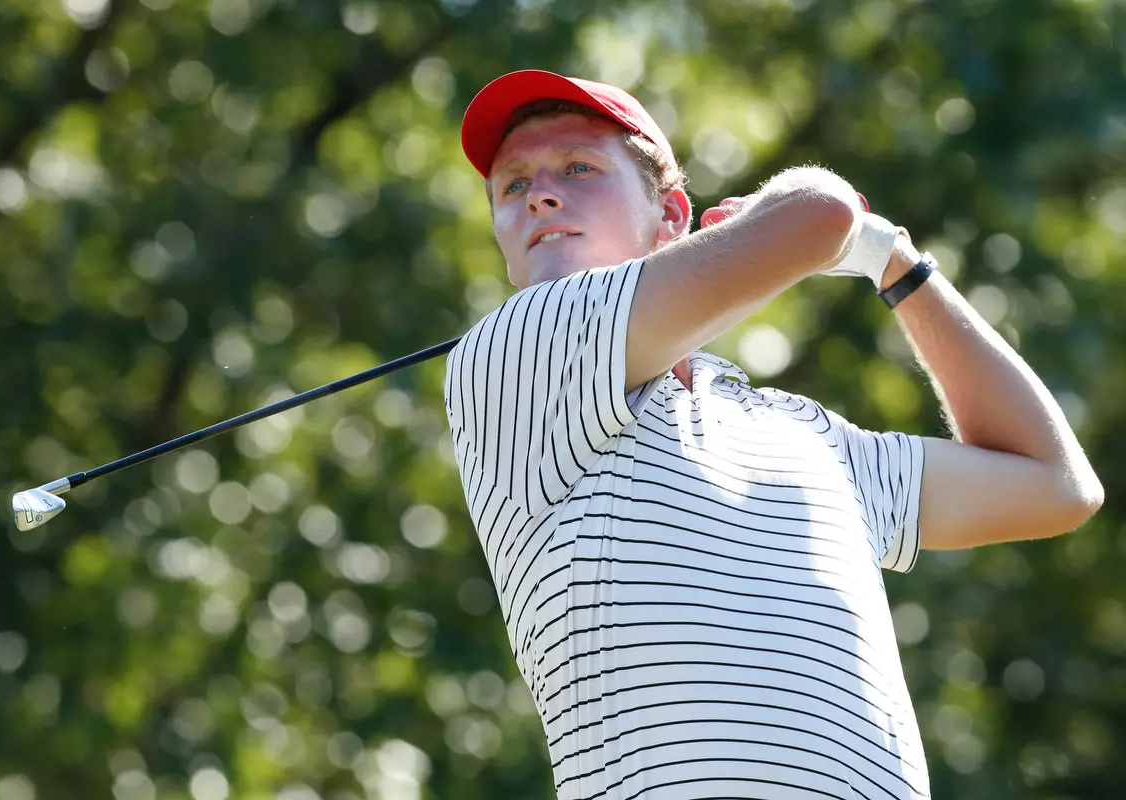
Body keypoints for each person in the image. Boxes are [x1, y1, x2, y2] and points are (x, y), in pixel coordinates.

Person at [442, 69, 1103, 800]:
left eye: (578, 167)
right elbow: (820, 213)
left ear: (670, 216)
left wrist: (897, 262)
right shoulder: (514, 356)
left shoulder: (806, 435)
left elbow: (1056, 484)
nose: (539, 193)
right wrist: (834, 229)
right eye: (511, 185)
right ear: (503, 236)